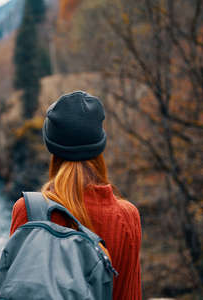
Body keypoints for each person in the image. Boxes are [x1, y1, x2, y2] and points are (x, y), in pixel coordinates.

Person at [9, 91, 142, 300]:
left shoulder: (27, 210)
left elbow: (14, 289)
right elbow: (128, 295)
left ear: (52, 147)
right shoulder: (126, 216)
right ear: (99, 146)